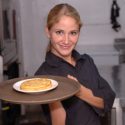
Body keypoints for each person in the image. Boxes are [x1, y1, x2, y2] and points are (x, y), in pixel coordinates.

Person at [35, 3, 116, 125]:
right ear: (48, 31)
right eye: (59, 32)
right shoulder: (44, 76)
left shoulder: (86, 61)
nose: (66, 41)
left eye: (73, 33)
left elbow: (108, 100)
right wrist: (55, 97)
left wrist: (81, 92)